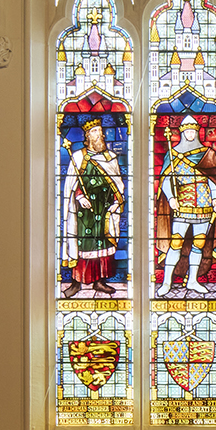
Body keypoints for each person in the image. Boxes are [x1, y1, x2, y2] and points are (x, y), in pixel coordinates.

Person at [155, 112, 216, 290]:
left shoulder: (207, 154)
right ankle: (166, 282)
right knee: (176, 242)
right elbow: (166, 180)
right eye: (187, 132)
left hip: (204, 205)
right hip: (182, 204)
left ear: (197, 133)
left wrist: (215, 199)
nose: (190, 134)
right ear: (183, 133)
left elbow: (212, 180)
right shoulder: (173, 153)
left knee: (199, 244)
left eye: (193, 131)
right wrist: (171, 198)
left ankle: (193, 280)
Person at [63, 114, 124, 296]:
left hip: (104, 209)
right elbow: (72, 186)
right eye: (96, 131)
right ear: (87, 135)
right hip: (85, 211)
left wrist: (116, 202)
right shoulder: (78, 157)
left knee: (103, 244)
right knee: (83, 244)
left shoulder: (110, 157)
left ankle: (100, 281)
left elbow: (117, 184)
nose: (101, 135)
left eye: (101, 131)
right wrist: (80, 197)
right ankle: (76, 282)